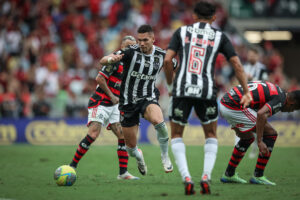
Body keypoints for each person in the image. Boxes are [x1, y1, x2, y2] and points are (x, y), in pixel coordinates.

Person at [163, 1, 252, 195]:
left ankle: (187, 177)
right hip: (206, 91)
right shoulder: (220, 36)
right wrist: (246, 91)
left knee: (177, 135)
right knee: (211, 135)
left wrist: (171, 85)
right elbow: (236, 64)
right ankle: (205, 176)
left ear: (193, 16)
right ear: (214, 18)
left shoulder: (181, 32)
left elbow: (168, 60)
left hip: (182, 90)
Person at [100, 25, 176, 176]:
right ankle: (139, 156)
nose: (141, 43)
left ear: (153, 39)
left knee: (159, 122)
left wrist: (173, 86)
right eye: (139, 40)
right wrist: (110, 59)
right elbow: (103, 60)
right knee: (130, 148)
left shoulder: (162, 55)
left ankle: (165, 156)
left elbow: (173, 66)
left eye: (145, 40)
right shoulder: (130, 51)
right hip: (128, 102)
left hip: (148, 97)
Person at [69, 35, 139, 180]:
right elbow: (99, 79)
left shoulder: (132, 65)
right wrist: (112, 96)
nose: (131, 49)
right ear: (122, 48)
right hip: (101, 101)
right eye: (128, 46)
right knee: (93, 134)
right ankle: (72, 166)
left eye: (133, 46)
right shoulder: (114, 61)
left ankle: (123, 173)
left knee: (122, 136)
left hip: (115, 105)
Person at [220, 81, 300, 185]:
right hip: (234, 106)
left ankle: (229, 174)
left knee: (247, 138)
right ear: (292, 102)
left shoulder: (277, 90)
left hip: (226, 102)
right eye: (293, 109)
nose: (290, 111)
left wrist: (236, 126)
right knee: (271, 134)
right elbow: (261, 114)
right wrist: (260, 141)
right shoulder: (280, 100)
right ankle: (258, 175)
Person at [238, 46, 269, 158]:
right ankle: (239, 147)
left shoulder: (262, 68)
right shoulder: (243, 67)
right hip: (245, 98)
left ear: (257, 56)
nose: (251, 56)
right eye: (250, 54)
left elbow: (265, 82)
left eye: (253, 55)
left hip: (258, 99)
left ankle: (256, 147)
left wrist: (252, 79)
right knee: (240, 123)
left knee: (257, 124)